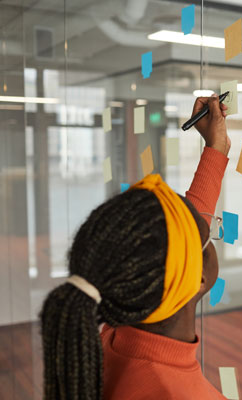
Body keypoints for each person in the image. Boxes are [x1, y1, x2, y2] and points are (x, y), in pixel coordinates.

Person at [40, 95, 231, 400]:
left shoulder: (114, 338)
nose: (208, 228)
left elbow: (179, 235)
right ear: (197, 277)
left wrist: (216, 149)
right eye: (207, 237)